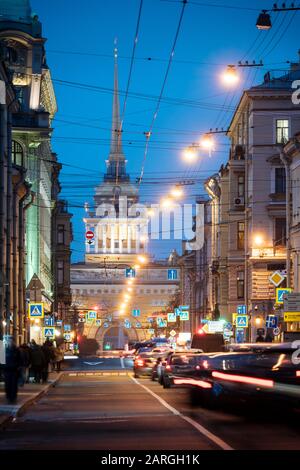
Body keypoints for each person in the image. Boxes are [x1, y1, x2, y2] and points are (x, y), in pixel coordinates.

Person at [4, 336, 21, 404]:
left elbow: (20, 360)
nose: (10, 342)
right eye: (9, 341)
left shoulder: (17, 350)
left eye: (11, 341)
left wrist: (18, 367)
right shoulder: (5, 350)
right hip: (7, 371)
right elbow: (2, 361)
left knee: (13, 385)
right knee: (7, 385)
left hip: (14, 371)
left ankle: (13, 398)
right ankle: (8, 397)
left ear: (14, 342)